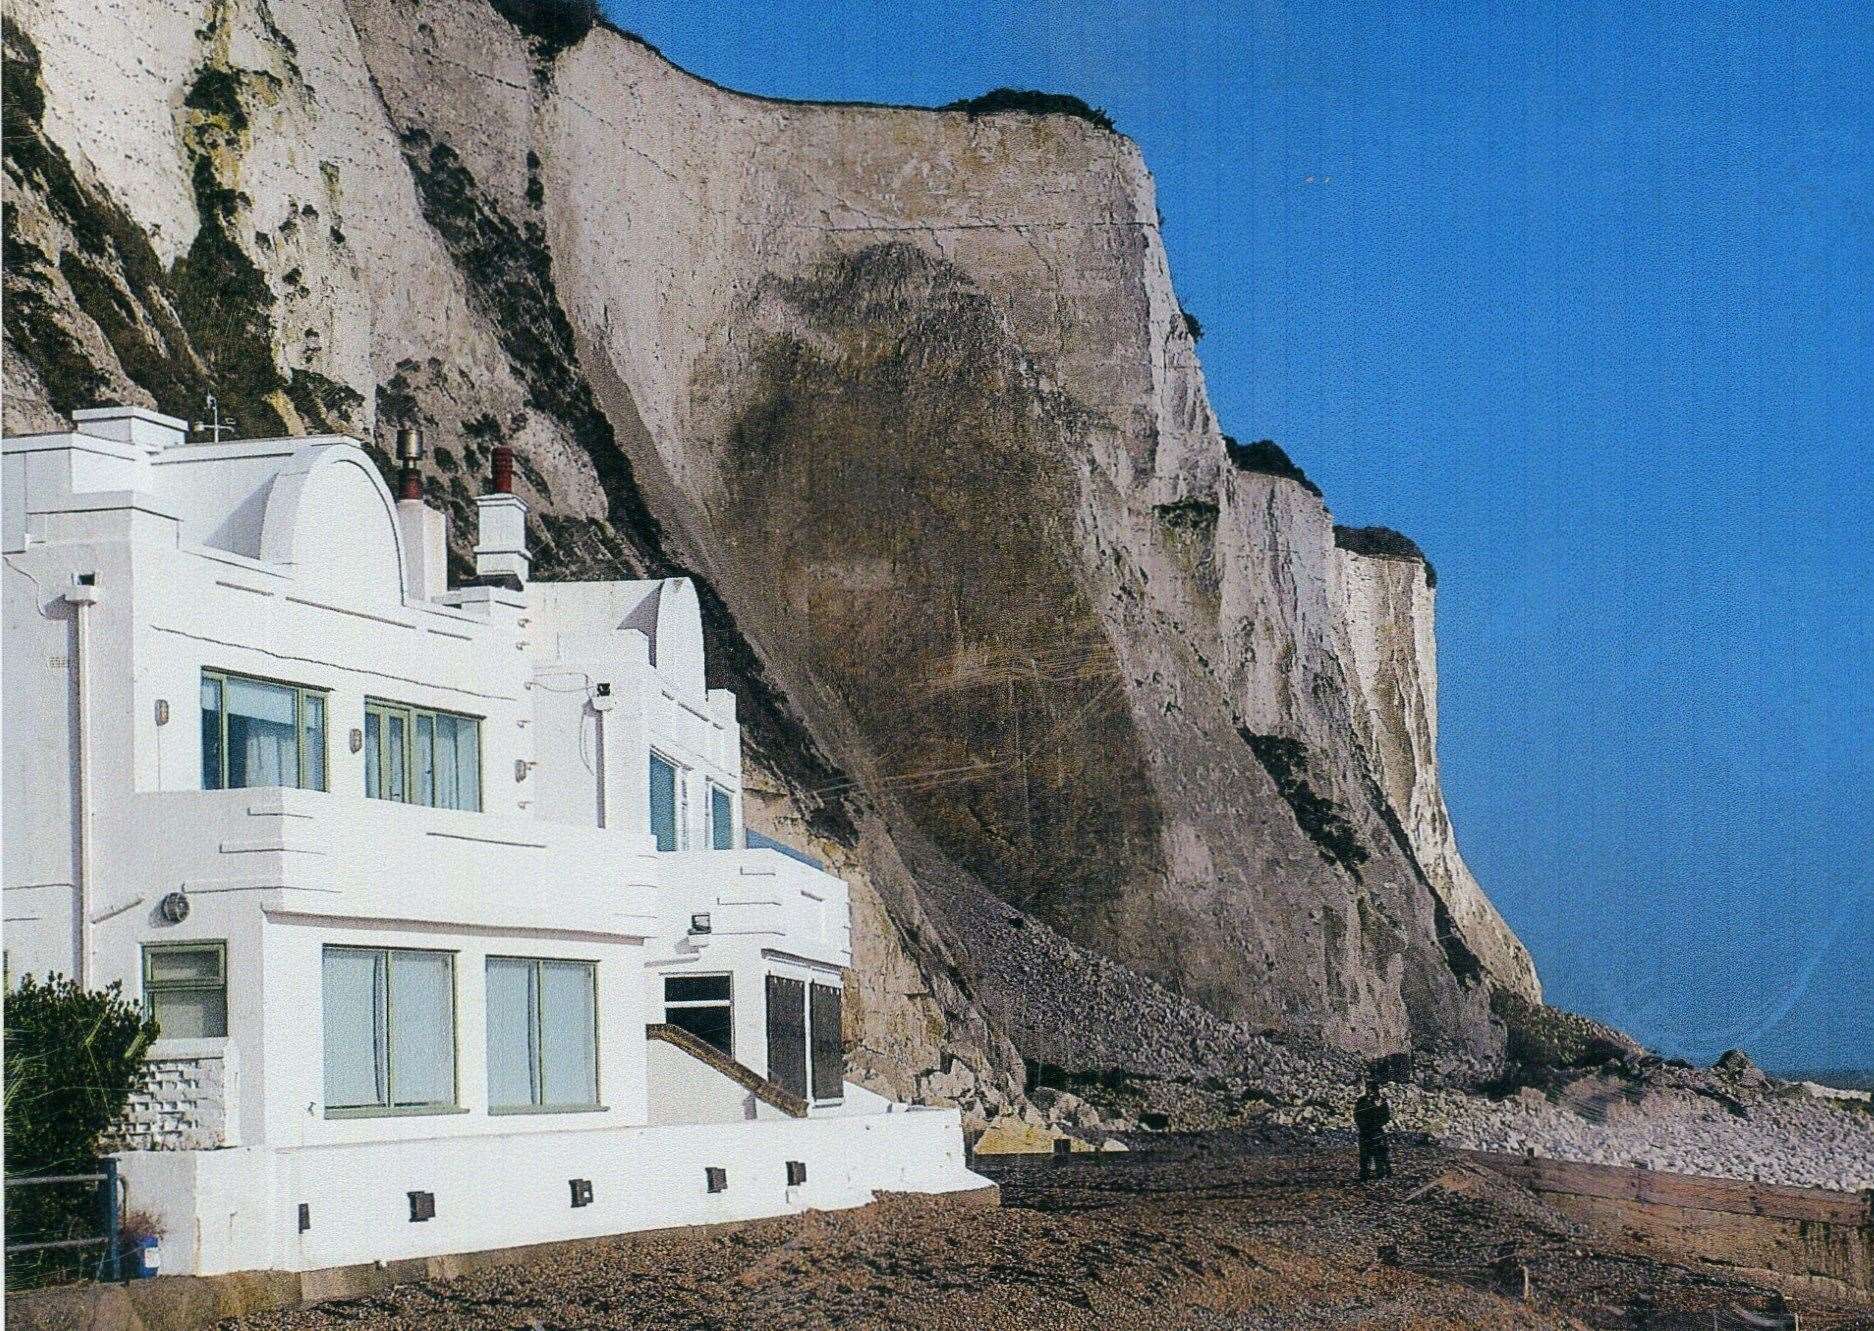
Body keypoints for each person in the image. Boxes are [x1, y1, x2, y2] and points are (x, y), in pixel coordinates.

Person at [1354, 1078, 1393, 1181]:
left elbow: (1386, 1116)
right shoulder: (1361, 1100)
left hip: (1377, 1131)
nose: (1370, 1091)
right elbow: (1357, 1115)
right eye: (1368, 1089)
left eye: (1372, 1089)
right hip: (1365, 1131)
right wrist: (1363, 1126)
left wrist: (1377, 1124)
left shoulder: (1382, 1101)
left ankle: (1381, 1174)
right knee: (1364, 1155)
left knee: (1379, 1154)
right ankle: (1364, 1175)